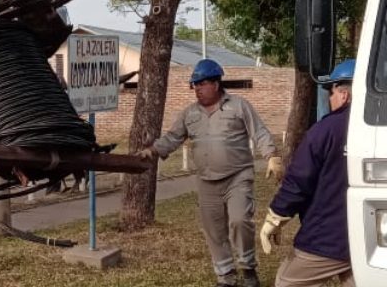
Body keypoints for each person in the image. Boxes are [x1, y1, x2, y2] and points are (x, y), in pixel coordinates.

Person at [140, 58, 282, 287]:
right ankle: (226, 276)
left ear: (216, 84)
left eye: (201, 83)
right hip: (207, 181)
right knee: (213, 230)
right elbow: (173, 137)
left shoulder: (238, 106)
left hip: (238, 176)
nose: (196, 88)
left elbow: (260, 133)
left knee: (239, 221)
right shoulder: (189, 114)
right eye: (194, 84)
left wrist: (272, 156)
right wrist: (153, 150)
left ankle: (248, 269)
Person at [260, 59, 355, 287]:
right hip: (371, 239)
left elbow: (299, 181)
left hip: (329, 237)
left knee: (287, 282)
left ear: (343, 94)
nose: (329, 99)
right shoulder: (377, 129)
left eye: (329, 92)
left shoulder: (325, 130)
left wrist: (275, 218)